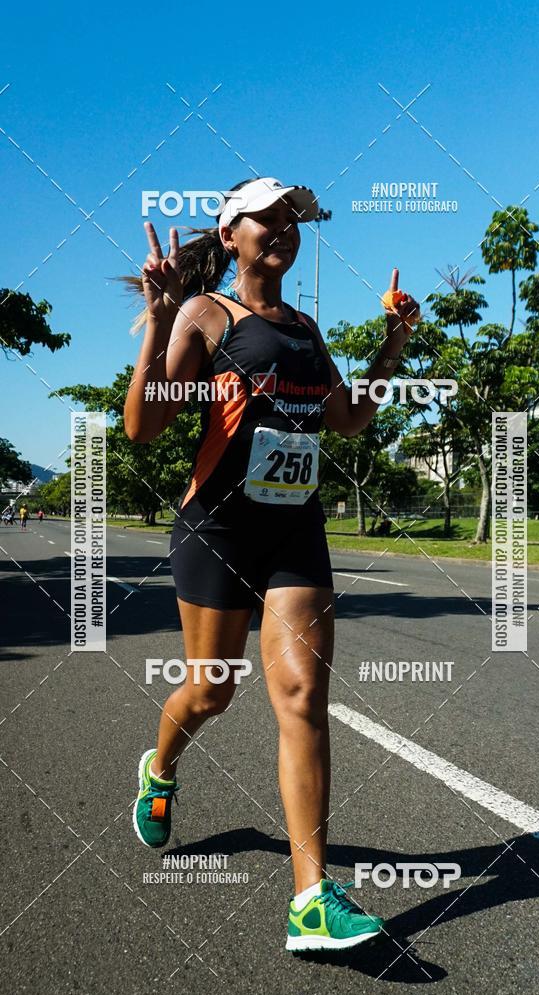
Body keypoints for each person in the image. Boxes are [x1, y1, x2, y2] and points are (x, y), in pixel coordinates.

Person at [123, 177, 420, 953]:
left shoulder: (307, 330)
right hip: (217, 531)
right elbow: (144, 427)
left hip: (295, 532)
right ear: (230, 235)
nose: (286, 228)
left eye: (293, 219)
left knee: (302, 695)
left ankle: (310, 900)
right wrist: (160, 321)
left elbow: (348, 418)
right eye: (269, 217)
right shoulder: (206, 315)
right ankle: (161, 768)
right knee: (212, 691)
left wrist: (392, 344)